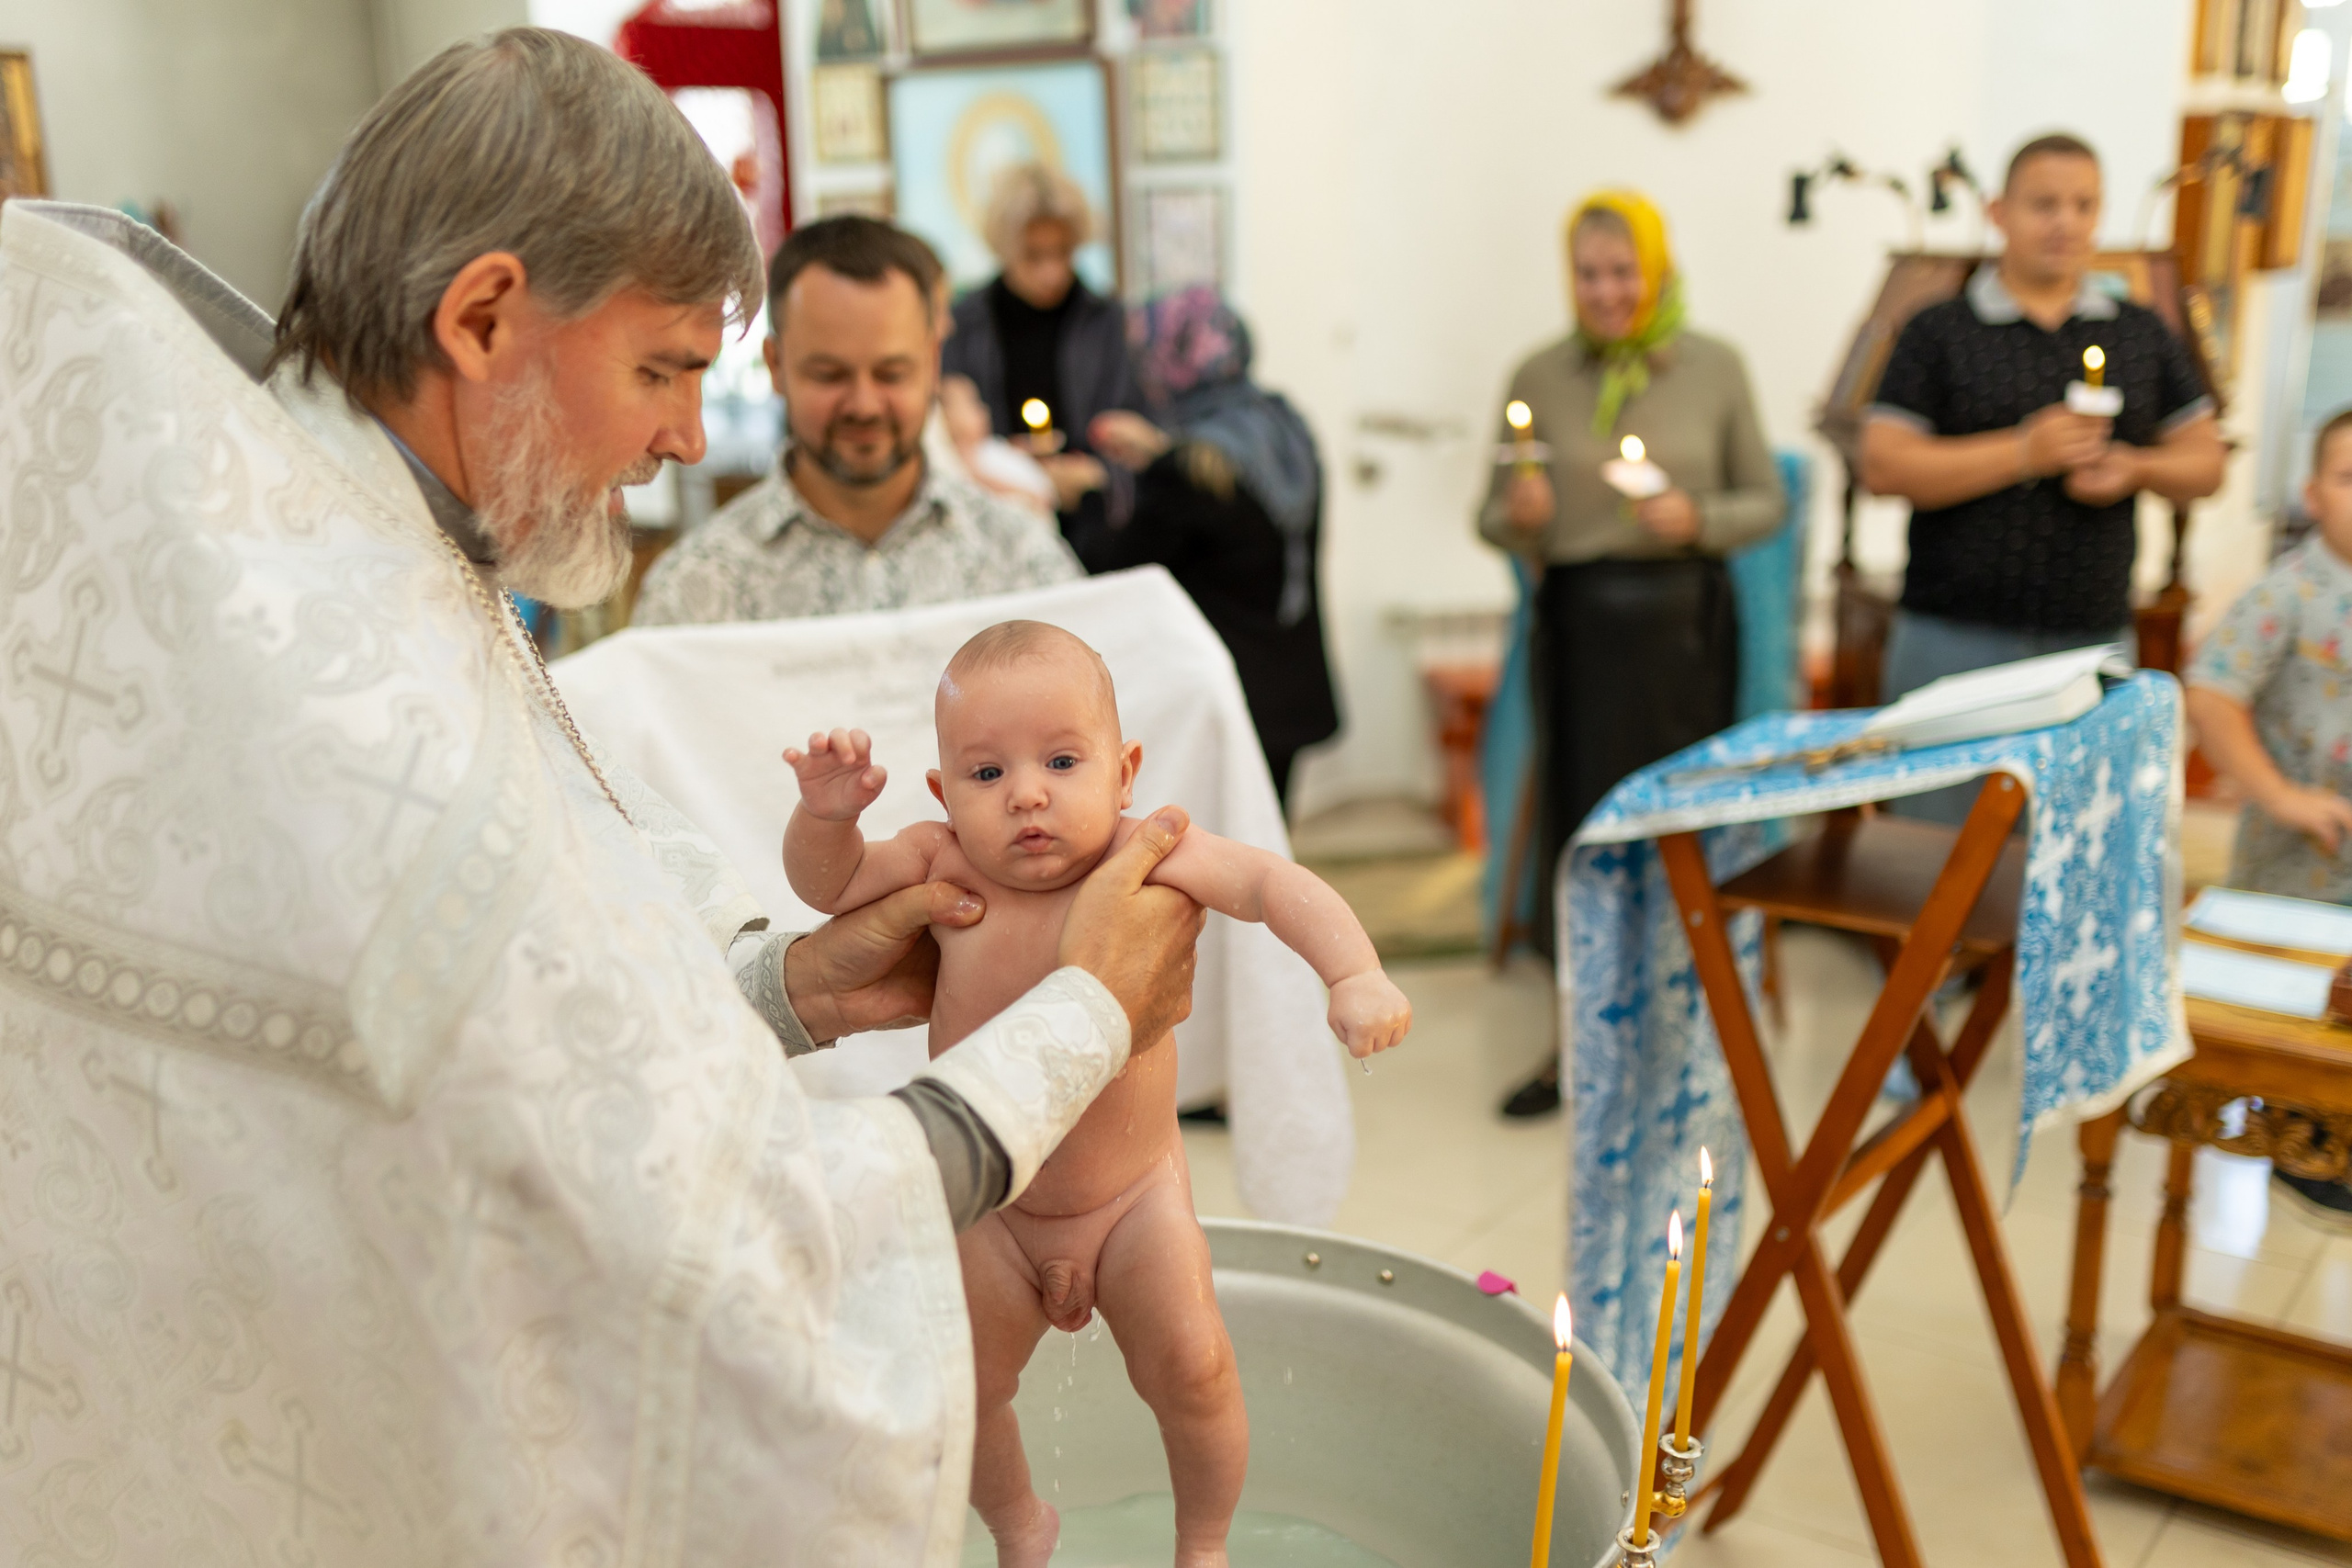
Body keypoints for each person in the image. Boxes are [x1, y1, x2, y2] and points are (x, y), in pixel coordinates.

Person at [0, 30, 1207, 1562]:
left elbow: (534, 975)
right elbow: (713, 1249)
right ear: (487, 315)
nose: (688, 440)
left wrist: (788, 977)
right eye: (664, 368)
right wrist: (1082, 1018)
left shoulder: (332, 538)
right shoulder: (342, 690)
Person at [781, 622, 1410, 1568]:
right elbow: (830, 891)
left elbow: (1271, 884)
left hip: (1131, 1201)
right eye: (986, 776)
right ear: (944, 794)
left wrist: (1353, 973)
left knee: (1195, 1372)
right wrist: (827, 818)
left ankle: (1202, 1545)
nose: (1026, 793)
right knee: (965, 1390)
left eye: (1063, 760)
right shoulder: (938, 860)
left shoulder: (1145, 855)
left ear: (1125, 772)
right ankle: (1019, 1523)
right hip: (994, 1207)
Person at [1477, 189, 1783, 1118]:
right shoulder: (1536, 372)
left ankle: (1686, 1047)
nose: (1606, 292)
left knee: (1681, 837)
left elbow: (1765, 501)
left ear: (1657, 269)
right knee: (1582, 838)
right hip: (1580, 633)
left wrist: (1701, 519)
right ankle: (1574, 1047)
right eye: (1588, 274)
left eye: (1622, 271)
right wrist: (1516, 518)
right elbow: (1487, 513)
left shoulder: (1716, 367)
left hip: (1686, 631)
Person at [1862, 132, 2226, 821]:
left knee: (2075, 844)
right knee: (1933, 849)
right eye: (2044, 204)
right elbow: (1884, 464)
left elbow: (2206, 462)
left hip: (2087, 639)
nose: (2065, 222)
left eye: (2084, 204)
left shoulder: (2139, 332)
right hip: (1951, 635)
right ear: (1998, 213)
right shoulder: (1939, 328)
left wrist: (2135, 467)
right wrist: (2026, 452)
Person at [632, 214, 1080, 626]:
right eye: (829, 375)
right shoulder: (698, 591)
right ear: (776, 366)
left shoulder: (1022, 563)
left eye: (892, 373)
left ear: (932, 362)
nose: (864, 405)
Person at [1077, 287, 1340, 808]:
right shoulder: (1281, 431)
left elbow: (1110, 564)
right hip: (1290, 683)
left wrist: (1085, 494)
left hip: (1229, 695)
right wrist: (1161, 453)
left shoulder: (1189, 471)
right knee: (1268, 846)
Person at [942, 162, 1146, 558]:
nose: (1051, 273)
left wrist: (1096, 473)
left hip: (1094, 525)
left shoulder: (1104, 320)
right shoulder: (965, 323)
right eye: (1033, 257)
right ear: (1004, 248)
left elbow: (1137, 426)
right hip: (996, 524)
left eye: (1062, 253)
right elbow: (954, 435)